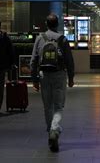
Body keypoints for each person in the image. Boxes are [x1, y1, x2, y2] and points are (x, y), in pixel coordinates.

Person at [30, 14, 75, 153]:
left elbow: (33, 61)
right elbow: (69, 60)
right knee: (59, 106)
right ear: (57, 24)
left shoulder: (39, 38)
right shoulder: (63, 39)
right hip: (59, 75)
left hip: (44, 75)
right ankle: (54, 130)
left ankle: (51, 131)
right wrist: (71, 77)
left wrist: (34, 79)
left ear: (46, 23)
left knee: (47, 106)